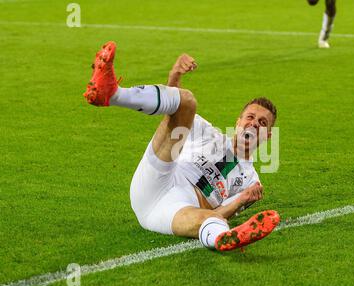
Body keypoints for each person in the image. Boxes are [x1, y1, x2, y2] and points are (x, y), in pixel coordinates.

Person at [83, 42, 280, 251]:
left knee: (213, 220)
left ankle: (222, 239)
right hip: (158, 180)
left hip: (177, 211)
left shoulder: (251, 182)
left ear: (267, 135)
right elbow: (174, 111)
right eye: (250, 117)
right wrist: (175, 75)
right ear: (238, 121)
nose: (253, 124)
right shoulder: (208, 132)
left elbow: (222, 212)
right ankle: (113, 94)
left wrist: (241, 200)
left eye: (262, 123)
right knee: (187, 101)